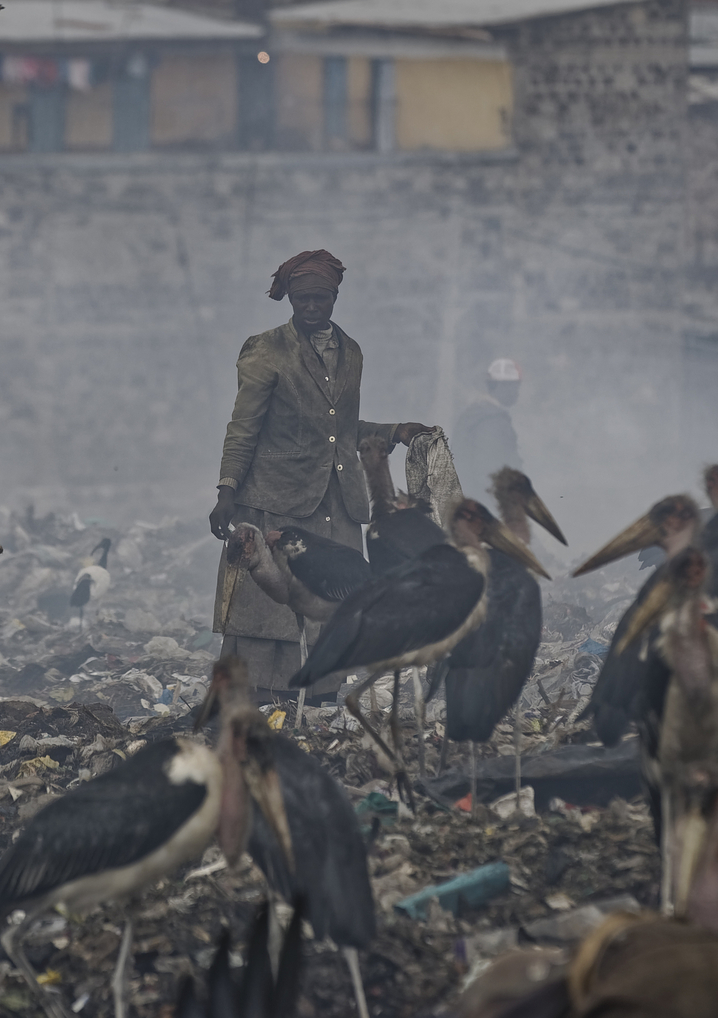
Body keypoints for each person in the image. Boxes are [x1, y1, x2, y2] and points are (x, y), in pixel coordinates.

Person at [209, 250, 430, 698]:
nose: (311, 308)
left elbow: (341, 428)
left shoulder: (352, 352)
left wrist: (396, 431)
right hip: (278, 499)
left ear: (334, 297)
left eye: (320, 299)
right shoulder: (264, 350)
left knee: (332, 603)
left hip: (337, 503)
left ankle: (324, 695)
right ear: (290, 297)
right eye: (302, 299)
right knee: (268, 607)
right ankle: (263, 699)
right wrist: (227, 489)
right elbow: (244, 427)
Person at [452, 357, 521, 490]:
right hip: (487, 502)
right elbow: (488, 472)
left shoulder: (473, 415)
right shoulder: (491, 421)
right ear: (501, 386)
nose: (517, 393)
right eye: (515, 386)